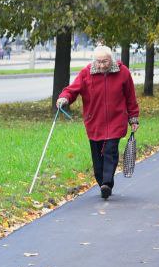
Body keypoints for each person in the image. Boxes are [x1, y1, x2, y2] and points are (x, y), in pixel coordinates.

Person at [56, 45, 139, 200]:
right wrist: (64, 97)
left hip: (116, 120)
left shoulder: (123, 73)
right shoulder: (86, 73)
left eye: (105, 61)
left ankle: (107, 183)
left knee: (110, 151)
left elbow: (130, 97)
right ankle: (101, 182)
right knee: (97, 155)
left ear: (111, 59)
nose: (101, 65)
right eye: (99, 62)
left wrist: (133, 118)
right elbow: (72, 90)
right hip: (94, 121)